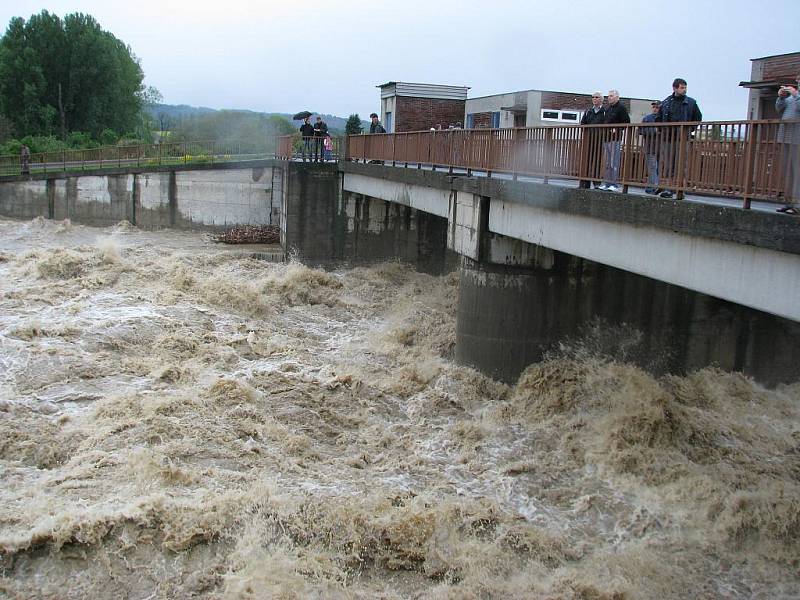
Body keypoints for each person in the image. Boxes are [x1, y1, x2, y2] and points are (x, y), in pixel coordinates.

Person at [655, 78, 702, 199]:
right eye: (682, 87)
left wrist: (689, 129)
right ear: (675, 88)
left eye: (685, 87)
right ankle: (669, 188)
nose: (684, 90)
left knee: (682, 164)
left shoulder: (690, 102)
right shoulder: (666, 102)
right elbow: (658, 118)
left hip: (682, 138)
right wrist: (662, 130)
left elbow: (697, 117)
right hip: (668, 138)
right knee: (669, 164)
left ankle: (680, 189)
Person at [775, 80, 800, 215]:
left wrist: (796, 94)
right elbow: (779, 109)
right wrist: (781, 97)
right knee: (788, 172)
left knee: (797, 173)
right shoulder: (790, 98)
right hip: (786, 138)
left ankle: (797, 204)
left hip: (798, 140)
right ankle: (789, 202)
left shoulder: (796, 97)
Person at [598, 89, 629, 192]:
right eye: (608, 96)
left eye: (611, 96)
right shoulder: (608, 108)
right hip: (606, 138)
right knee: (607, 162)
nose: (609, 98)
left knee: (613, 162)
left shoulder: (621, 108)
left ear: (617, 97)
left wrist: (617, 128)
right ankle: (607, 183)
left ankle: (614, 184)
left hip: (615, 139)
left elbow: (626, 122)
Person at [579, 92, 606, 189]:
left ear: (601, 99)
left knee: (597, 161)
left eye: (597, 97)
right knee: (586, 161)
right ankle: (584, 183)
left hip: (599, 140)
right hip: (588, 140)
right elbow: (582, 123)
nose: (594, 99)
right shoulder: (588, 111)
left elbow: (607, 124)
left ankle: (596, 183)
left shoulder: (604, 111)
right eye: (593, 97)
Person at [640, 101, 661, 194]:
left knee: (656, 168)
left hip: (661, 147)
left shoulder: (663, 118)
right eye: (654, 107)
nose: (655, 109)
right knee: (652, 167)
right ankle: (654, 187)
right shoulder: (647, 118)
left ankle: (650, 187)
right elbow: (641, 131)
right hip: (650, 146)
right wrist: (655, 131)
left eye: (657, 107)